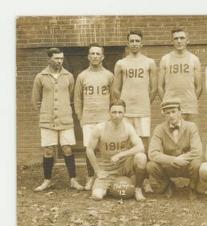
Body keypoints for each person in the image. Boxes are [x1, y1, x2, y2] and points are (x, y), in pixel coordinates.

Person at [32, 48, 84, 192]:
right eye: (56, 58)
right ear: (49, 59)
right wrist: (44, 113)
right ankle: (47, 180)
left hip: (65, 119)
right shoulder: (40, 77)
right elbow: (36, 100)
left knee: (67, 148)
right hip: (47, 120)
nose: (59, 61)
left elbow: (71, 95)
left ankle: (73, 180)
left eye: (61, 58)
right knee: (48, 151)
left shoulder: (68, 76)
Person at [112, 30, 157, 193]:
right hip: (126, 111)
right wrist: (124, 107)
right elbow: (116, 89)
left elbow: (154, 89)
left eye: (137, 41)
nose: (134, 43)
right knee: (125, 142)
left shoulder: (150, 62)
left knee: (143, 145)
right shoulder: (121, 63)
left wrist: (144, 102)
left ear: (142, 43)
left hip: (143, 110)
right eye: (131, 41)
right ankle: (125, 175)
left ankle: (144, 180)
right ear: (127, 43)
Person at [86, 99, 147, 201]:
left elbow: (140, 147)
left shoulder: (128, 128)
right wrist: (97, 170)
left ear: (124, 113)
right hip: (108, 169)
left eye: (120, 112)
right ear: (109, 113)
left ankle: (138, 189)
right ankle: (113, 186)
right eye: (114, 112)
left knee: (141, 157)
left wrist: (120, 154)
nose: (117, 115)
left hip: (125, 167)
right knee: (97, 196)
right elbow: (89, 150)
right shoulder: (100, 128)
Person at [74, 43, 113, 191]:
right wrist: (80, 116)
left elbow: (114, 98)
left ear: (102, 57)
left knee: (105, 149)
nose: (95, 56)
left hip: (104, 119)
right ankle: (90, 177)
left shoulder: (109, 75)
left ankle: (105, 176)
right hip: (88, 118)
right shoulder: (82, 76)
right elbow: (77, 98)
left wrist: (111, 118)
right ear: (88, 57)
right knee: (89, 149)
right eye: (92, 54)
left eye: (98, 54)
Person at [146, 98, 202, 200]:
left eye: (173, 112)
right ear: (164, 114)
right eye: (167, 113)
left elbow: (197, 151)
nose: (171, 116)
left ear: (180, 112)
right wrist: (173, 160)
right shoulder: (159, 129)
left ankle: (192, 187)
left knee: (197, 163)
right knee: (151, 166)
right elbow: (152, 153)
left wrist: (183, 158)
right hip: (169, 166)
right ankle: (168, 185)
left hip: (186, 165)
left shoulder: (191, 127)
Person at [158, 27, 202, 123]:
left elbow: (199, 87)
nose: (179, 41)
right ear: (172, 41)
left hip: (190, 108)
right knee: (172, 136)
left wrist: (191, 100)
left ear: (187, 40)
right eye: (176, 39)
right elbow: (160, 87)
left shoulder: (194, 59)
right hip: (171, 108)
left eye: (182, 38)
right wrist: (166, 102)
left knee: (191, 135)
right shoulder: (165, 59)